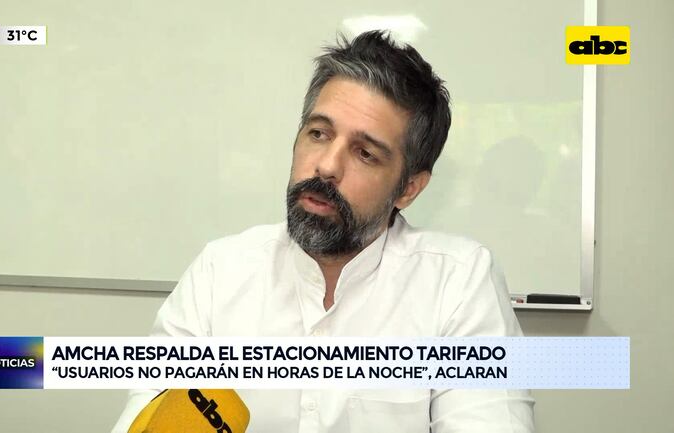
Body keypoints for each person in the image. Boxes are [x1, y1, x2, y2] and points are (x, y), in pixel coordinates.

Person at [112, 30, 535, 433]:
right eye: (319, 134)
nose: (327, 165)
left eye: (365, 153)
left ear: (408, 188)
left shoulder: (458, 282)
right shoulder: (219, 272)